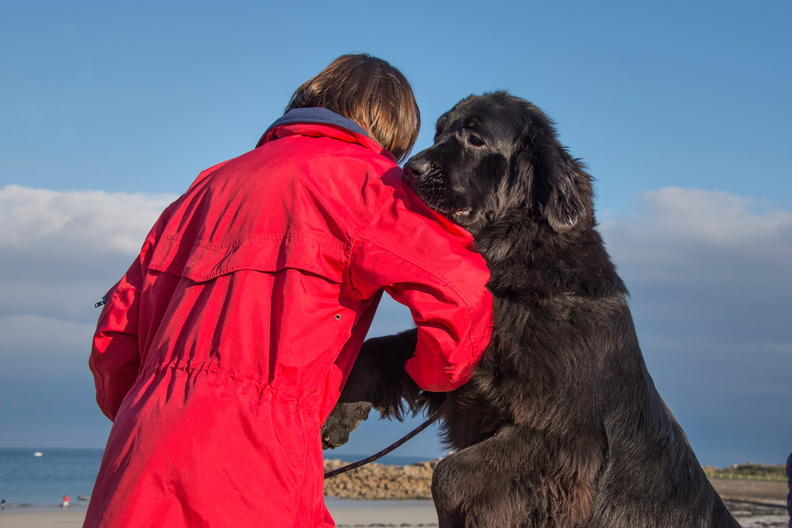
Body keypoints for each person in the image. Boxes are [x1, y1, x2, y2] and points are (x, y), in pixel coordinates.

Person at [83, 54, 492, 528]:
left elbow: (114, 341)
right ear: (393, 132)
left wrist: (153, 409)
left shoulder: (205, 186)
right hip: (256, 451)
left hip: (139, 447)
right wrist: (430, 374)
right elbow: (459, 295)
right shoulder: (370, 184)